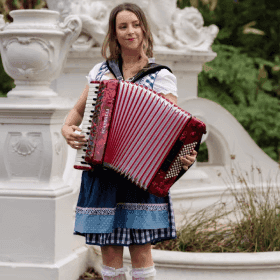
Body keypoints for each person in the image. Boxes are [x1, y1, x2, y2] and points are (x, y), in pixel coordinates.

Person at [61, 3, 197, 280]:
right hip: (101, 171)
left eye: (135, 24)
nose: (130, 31)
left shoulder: (161, 76)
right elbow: (78, 110)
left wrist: (184, 154)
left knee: (140, 249)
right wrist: (67, 128)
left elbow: (176, 127)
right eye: (123, 26)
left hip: (140, 175)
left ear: (144, 29)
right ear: (114, 33)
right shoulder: (100, 71)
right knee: (109, 250)